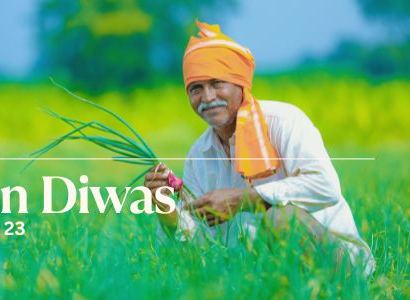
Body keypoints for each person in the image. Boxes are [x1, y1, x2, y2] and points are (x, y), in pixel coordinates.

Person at [144, 20, 374, 275]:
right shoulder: (199, 154)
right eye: (196, 88)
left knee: (279, 219)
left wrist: (243, 200)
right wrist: (164, 208)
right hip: (263, 273)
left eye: (217, 83)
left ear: (240, 84)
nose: (207, 98)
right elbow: (198, 241)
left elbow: (325, 186)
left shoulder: (284, 121)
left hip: (339, 265)